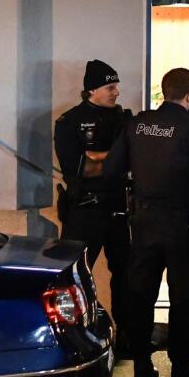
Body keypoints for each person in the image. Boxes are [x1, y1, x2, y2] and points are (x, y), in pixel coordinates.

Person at [104, 67, 189, 377]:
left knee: (140, 296)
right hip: (181, 225)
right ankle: (181, 373)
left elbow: (112, 170)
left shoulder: (136, 125)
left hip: (143, 223)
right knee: (182, 299)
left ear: (163, 92)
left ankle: (142, 367)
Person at [54, 59, 133, 353]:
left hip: (118, 209)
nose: (116, 92)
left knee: (124, 274)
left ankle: (127, 336)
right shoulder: (70, 121)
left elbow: (129, 161)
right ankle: (75, 335)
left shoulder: (125, 119)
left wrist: (100, 158)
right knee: (74, 275)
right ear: (92, 90)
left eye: (116, 86)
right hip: (85, 210)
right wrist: (114, 158)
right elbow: (77, 168)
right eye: (110, 87)